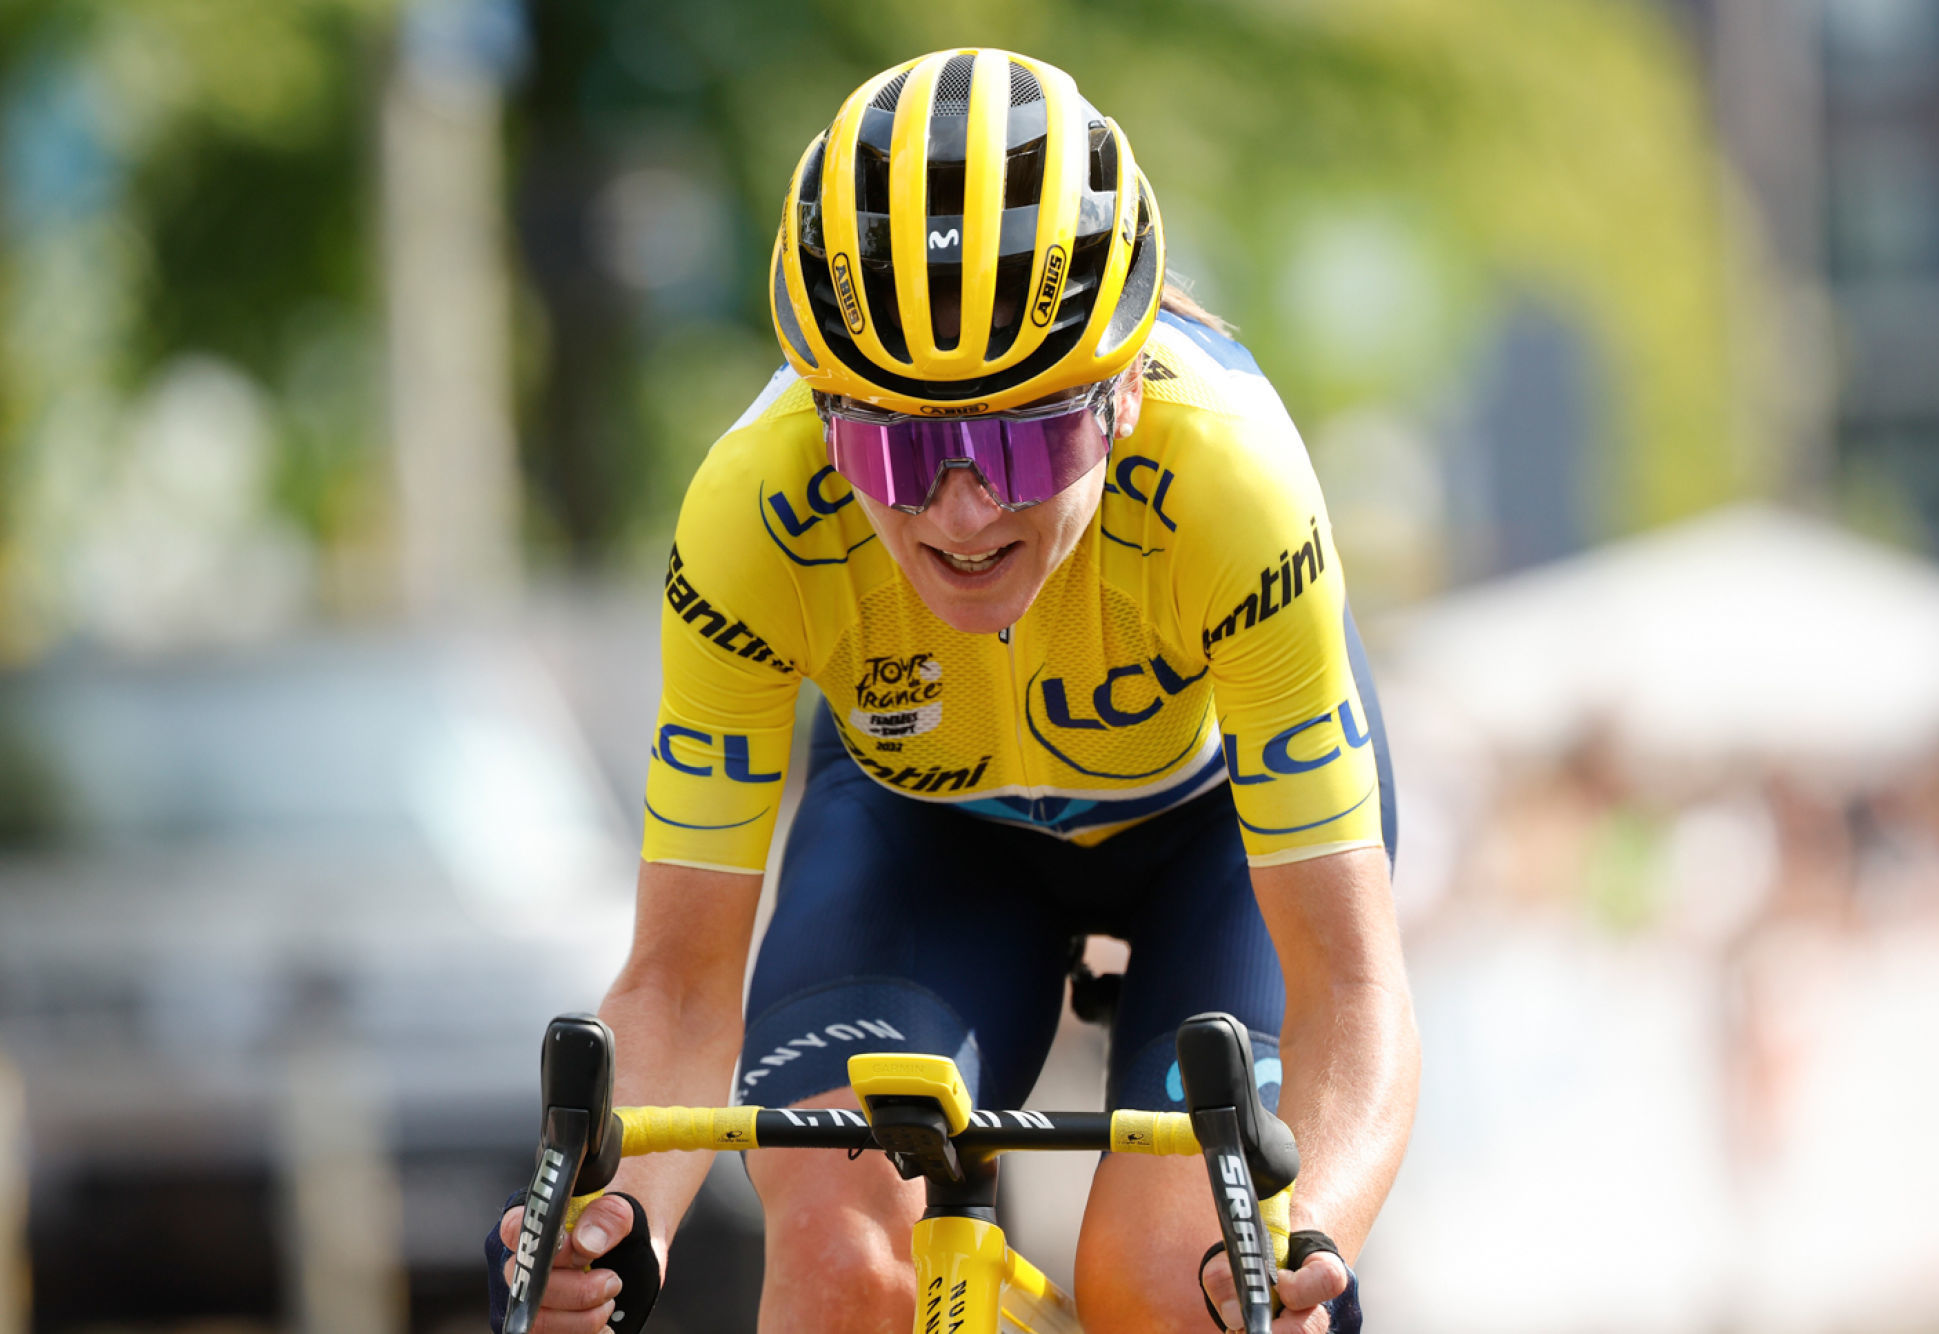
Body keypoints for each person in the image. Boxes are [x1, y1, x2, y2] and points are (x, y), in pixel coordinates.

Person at [491, 47, 1419, 1334]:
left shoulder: (1234, 488)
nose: (961, 509)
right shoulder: (749, 517)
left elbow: (1350, 990)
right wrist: (609, 1224)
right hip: (928, 835)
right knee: (841, 1251)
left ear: (1124, 393)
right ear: (825, 420)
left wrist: (1303, 1230)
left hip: (1214, 836)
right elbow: (680, 981)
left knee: (1182, 1282)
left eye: (1024, 439)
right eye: (898, 447)